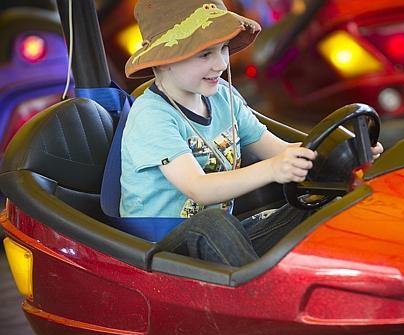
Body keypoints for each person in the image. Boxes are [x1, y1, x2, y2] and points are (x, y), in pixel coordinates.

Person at [121, 0, 383, 267]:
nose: (221, 63)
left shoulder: (223, 97)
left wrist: (343, 154)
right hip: (161, 250)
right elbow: (197, 188)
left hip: (225, 237)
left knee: (319, 203)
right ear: (164, 61)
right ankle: (264, 301)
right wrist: (272, 170)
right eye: (204, 54)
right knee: (211, 222)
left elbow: (279, 150)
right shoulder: (152, 115)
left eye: (223, 49)